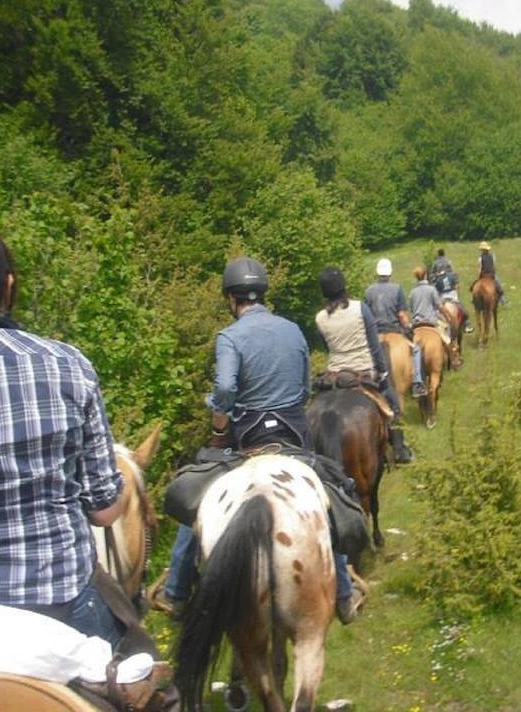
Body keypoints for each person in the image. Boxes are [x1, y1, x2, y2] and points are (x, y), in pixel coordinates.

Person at [0, 220, 127, 647]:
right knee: (141, 674)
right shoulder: (67, 364)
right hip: (60, 604)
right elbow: (106, 511)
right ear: (11, 287)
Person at [154, 256, 363, 624]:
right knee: (331, 494)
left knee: (196, 505)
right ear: (262, 294)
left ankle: (176, 591)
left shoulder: (230, 337)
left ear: (231, 299)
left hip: (246, 441)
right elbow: (301, 390)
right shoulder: (294, 330)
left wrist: (220, 428)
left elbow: (224, 389)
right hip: (293, 440)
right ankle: (344, 593)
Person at [315, 266, 413, 463]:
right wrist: (383, 372)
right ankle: (400, 449)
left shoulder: (320, 318)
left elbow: (327, 346)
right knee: (393, 404)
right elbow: (374, 345)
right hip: (363, 370)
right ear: (343, 286)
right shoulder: (360, 308)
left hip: (334, 374)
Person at [364, 258, 427, 398]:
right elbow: (402, 315)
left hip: (376, 334)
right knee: (416, 349)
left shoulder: (368, 291)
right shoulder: (397, 288)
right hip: (394, 330)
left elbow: (366, 316)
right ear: (390, 273)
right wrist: (409, 327)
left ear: (377, 273)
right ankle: (417, 382)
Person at [409, 265, 452, 346]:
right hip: (431, 321)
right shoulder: (431, 289)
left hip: (416, 323)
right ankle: (452, 356)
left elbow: (411, 310)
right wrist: (447, 316)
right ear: (425, 276)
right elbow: (439, 306)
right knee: (447, 339)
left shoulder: (412, 292)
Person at [477, 240, 506, 305]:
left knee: (475, 287)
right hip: (492, 274)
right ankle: (503, 301)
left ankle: (475, 300)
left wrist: (479, 276)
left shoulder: (480, 257)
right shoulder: (493, 256)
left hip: (483, 274)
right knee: (499, 287)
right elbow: (494, 266)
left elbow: (480, 268)